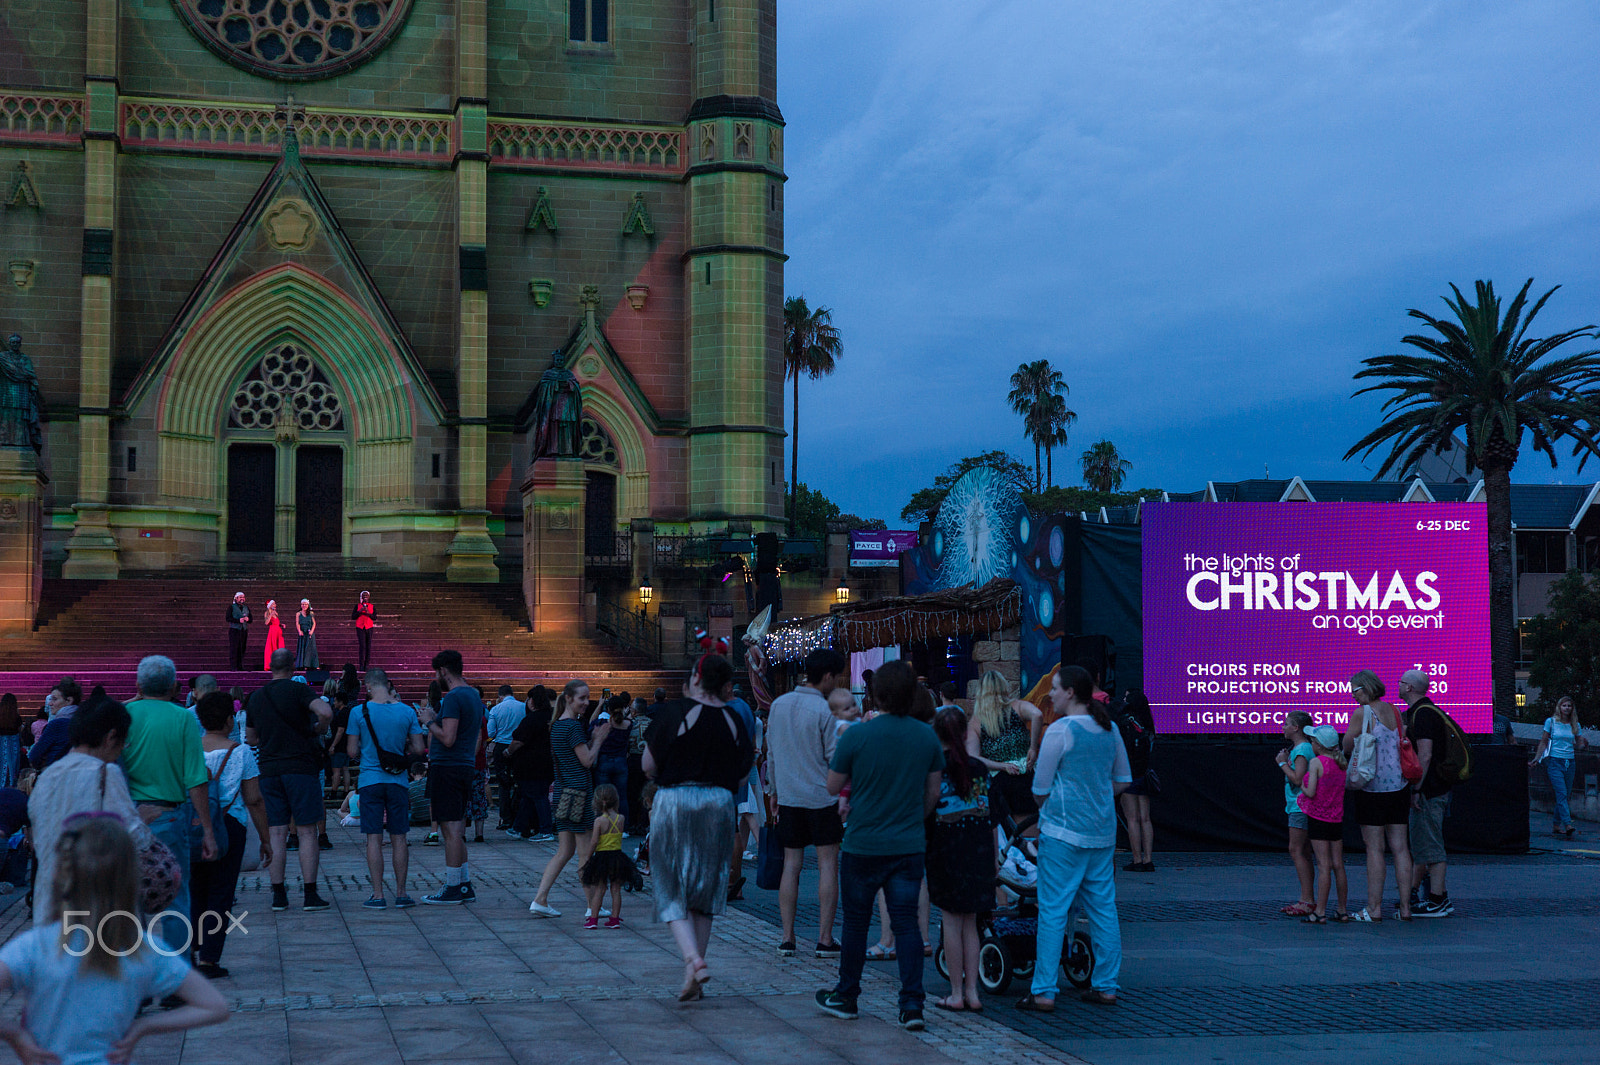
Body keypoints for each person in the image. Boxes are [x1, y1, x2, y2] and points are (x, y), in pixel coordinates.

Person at [0, 817, 229, 1064]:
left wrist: (15, 1035)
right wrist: (143, 1027)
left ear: (59, 877)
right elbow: (215, 1006)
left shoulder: (35, 947)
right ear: (131, 880)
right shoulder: (144, 949)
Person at [815, 659, 943, 1031]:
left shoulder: (856, 735)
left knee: (855, 923)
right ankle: (912, 1005)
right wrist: (911, 817)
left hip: (863, 842)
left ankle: (848, 994)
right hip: (907, 843)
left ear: (875, 695)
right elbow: (932, 793)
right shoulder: (926, 737)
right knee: (907, 926)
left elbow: (832, 786)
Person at [1015, 664, 1130, 1012]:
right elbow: (1123, 780)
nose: (1050, 694)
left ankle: (1044, 991)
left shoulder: (1060, 731)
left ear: (1069, 693)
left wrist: (1062, 801)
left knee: (1053, 910)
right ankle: (1107, 985)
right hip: (1101, 832)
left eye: (1055, 688)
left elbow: (1040, 789)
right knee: (1103, 909)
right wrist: (1095, 796)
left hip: (1063, 832)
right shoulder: (1109, 728)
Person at [644, 654, 754, 1001]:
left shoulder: (673, 713)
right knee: (706, 888)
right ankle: (695, 968)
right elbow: (741, 774)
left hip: (675, 800)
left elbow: (648, 765)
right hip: (719, 803)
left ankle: (692, 959)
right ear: (725, 684)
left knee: (669, 882)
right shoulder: (735, 718)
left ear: (694, 677)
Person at [27, 698, 157, 927]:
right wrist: (143, 819)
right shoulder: (105, 774)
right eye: (123, 743)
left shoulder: (46, 777)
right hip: (96, 906)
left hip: (49, 903)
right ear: (110, 738)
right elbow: (132, 837)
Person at [123, 654, 217, 954]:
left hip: (128, 815)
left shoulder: (125, 716)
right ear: (176, 687)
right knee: (176, 897)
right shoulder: (183, 718)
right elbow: (196, 779)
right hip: (169, 816)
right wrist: (208, 830)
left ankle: (131, 973)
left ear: (138, 685)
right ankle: (177, 978)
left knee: (126, 899)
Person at [766, 647, 847, 958]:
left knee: (791, 865)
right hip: (821, 796)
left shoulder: (779, 705)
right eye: (835, 677)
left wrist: (774, 791)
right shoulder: (824, 712)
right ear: (826, 676)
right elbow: (834, 758)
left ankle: (788, 937)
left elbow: (771, 751)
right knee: (828, 864)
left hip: (788, 795)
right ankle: (824, 938)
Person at [247, 647, 335, 913]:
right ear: (293, 668)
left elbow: (251, 739)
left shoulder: (257, 697)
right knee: (307, 830)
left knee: (277, 831)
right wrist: (318, 728)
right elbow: (326, 712)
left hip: (270, 769)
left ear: (270, 667)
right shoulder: (299, 691)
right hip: (300, 767)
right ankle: (310, 894)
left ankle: (278, 895)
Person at [191, 690, 272, 977]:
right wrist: (265, 838)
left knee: (194, 889)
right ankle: (210, 958)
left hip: (194, 826)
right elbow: (254, 799)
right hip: (230, 825)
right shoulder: (241, 752)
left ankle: (190, 948)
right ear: (229, 720)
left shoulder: (190, 749)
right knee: (221, 893)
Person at [927, 706, 992, 1013]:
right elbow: (992, 815)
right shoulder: (978, 768)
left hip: (945, 852)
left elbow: (926, 811)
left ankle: (955, 992)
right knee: (972, 924)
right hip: (978, 852)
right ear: (966, 734)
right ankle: (973, 991)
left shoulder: (934, 766)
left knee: (951, 922)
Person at [529, 679, 612, 917]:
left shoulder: (557, 725)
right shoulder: (572, 727)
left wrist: (592, 741)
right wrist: (598, 740)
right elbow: (587, 761)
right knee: (585, 854)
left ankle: (540, 899)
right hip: (579, 795)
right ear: (569, 699)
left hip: (564, 795)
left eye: (588, 698)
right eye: (582, 698)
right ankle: (591, 906)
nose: (586, 702)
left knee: (564, 851)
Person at [348, 667, 427, 909]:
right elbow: (418, 748)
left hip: (370, 781)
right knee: (399, 837)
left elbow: (351, 752)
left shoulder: (358, 712)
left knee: (374, 838)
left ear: (368, 686)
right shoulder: (406, 712)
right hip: (398, 781)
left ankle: (378, 894)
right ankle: (402, 893)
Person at [1341, 670, 1415, 922]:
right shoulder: (1394, 710)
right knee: (1401, 848)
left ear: (1365, 688)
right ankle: (1405, 908)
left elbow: (1347, 746)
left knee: (1374, 849)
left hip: (1371, 786)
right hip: (1399, 786)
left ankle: (1374, 908)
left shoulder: (1362, 713)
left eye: (1354, 690)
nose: (1352, 696)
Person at [418, 650, 486, 904]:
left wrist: (428, 721)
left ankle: (453, 886)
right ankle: (464, 883)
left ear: (443, 671)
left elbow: (447, 738)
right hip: (464, 765)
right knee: (455, 828)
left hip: (448, 767)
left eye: (436, 672)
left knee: (451, 831)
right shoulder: (472, 695)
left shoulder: (454, 697)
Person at [1400, 669, 1461, 917]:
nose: (1399, 685)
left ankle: (1437, 900)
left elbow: (1424, 755)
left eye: (1402, 682)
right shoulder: (1426, 711)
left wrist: (1417, 787)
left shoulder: (1423, 715)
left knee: (1432, 844)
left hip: (1430, 790)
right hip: (1435, 787)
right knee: (1425, 843)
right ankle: (1437, 897)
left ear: (1411, 688)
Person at [966, 670, 1042, 830]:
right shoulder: (1018, 706)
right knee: (1030, 824)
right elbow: (1037, 714)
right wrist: (1033, 748)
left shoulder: (976, 721)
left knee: (1004, 829)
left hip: (998, 781)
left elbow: (973, 757)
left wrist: (1001, 766)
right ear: (1004, 687)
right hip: (1026, 774)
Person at [1295, 724, 1350, 923]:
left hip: (1318, 819)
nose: (1311, 743)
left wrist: (1301, 782)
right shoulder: (1341, 763)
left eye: (1313, 741)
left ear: (1319, 745)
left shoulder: (1317, 763)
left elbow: (1310, 793)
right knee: (1338, 864)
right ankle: (1342, 910)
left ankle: (1320, 911)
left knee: (1323, 865)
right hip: (1336, 818)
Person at [1275, 710, 1317, 917]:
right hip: (1300, 805)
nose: (1283, 727)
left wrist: (1282, 763)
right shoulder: (1302, 748)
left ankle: (1307, 900)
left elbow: (1298, 779)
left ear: (1296, 728)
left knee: (1297, 850)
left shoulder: (1302, 750)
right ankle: (1306, 899)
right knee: (1304, 852)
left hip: (1300, 806)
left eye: (1286, 724)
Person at [580, 783, 637, 929]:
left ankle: (593, 919)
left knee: (600, 889)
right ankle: (615, 919)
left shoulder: (599, 821)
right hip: (617, 857)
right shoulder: (621, 818)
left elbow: (594, 841)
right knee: (616, 889)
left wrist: (588, 856)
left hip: (602, 858)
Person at [1531, 693, 1588, 840]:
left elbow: (1579, 744)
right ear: (1559, 707)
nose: (1567, 708)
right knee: (1562, 793)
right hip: (1555, 761)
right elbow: (1543, 741)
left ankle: (1556, 825)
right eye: (1564, 705)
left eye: (1569, 706)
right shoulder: (1551, 722)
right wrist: (1537, 758)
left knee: (1564, 795)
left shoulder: (1575, 725)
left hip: (1570, 762)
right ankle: (1567, 824)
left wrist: (1583, 744)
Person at [508, 686, 555, 841]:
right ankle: (518, 827)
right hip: (546, 763)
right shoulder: (551, 717)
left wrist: (508, 752)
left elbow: (518, 741)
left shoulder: (532, 719)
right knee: (529, 796)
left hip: (532, 765)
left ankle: (546, 829)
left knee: (538, 796)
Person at [1115, 691, 1156, 872]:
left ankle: (1137, 859)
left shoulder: (1125, 721)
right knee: (1145, 818)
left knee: (1131, 819)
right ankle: (1148, 859)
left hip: (1128, 774)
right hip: (1144, 774)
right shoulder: (1147, 723)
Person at [487, 685, 526, 831]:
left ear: (500, 696)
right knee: (519, 782)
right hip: (518, 746)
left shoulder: (496, 709)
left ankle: (505, 817)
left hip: (502, 745)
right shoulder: (522, 707)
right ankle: (518, 814)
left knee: (503, 784)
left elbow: (490, 731)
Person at [594, 693, 634, 830]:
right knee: (621, 796)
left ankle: (602, 825)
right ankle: (624, 827)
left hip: (604, 761)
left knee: (602, 795)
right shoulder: (628, 724)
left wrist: (599, 705)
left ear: (608, 709)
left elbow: (590, 723)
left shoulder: (602, 723)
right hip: (621, 762)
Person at [28, 677, 82, 772]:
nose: (50, 703)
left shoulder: (57, 724)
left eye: (55, 699)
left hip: (56, 772)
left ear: (69, 700)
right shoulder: (84, 720)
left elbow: (35, 755)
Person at [227, 591, 252, 671]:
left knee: (242, 648)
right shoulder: (231, 607)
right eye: (240, 597)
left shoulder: (246, 607)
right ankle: (233, 666)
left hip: (243, 630)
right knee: (234, 648)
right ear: (236, 598)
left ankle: (240, 666)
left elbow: (251, 619)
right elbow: (228, 618)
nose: (242, 599)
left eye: (243, 597)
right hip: (234, 630)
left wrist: (248, 619)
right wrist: (238, 620)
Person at [352, 590, 376, 671]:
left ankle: (367, 665)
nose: (365, 596)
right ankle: (361, 665)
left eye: (366, 595)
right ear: (361, 597)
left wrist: (368, 612)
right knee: (362, 646)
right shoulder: (357, 606)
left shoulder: (372, 606)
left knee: (368, 646)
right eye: (363, 595)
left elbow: (374, 617)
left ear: (369, 597)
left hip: (369, 627)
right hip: (360, 627)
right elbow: (353, 616)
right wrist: (360, 610)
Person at [0, 693, 19, 788]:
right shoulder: (16, 716)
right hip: (13, 742)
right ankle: (11, 784)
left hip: (1, 741)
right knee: (12, 765)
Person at [294, 599, 319, 670]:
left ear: (308, 605)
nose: (304, 606)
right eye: (302, 604)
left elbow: (314, 623)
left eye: (305, 604)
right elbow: (297, 623)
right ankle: (303, 664)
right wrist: (299, 631)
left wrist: (312, 631)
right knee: (302, 648)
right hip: (302, 632)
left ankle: (313, 664)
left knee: (311, 648)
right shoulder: (298, 614)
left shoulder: (311, 613)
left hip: (309, 632)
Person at [262, 599, 284, 672]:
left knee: (279, 647)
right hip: (272, 632)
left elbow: (276, 623)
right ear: (270, 605)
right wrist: (270, 615)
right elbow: (266, 623)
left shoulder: (276, 613)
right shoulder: (267, 613)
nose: (275, 605)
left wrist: (281, 625)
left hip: (278, 632)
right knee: (272, 647)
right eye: (274, 604)